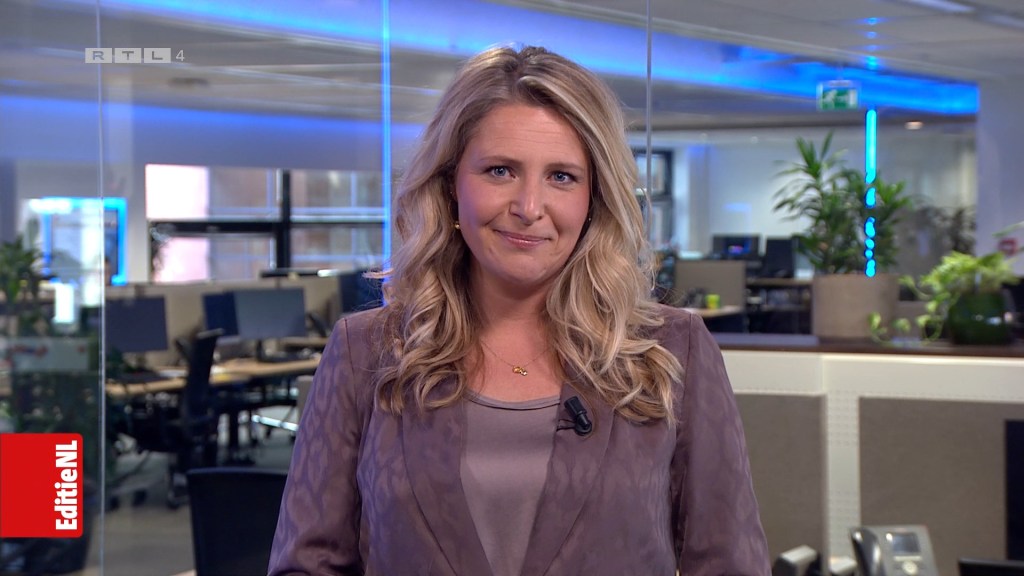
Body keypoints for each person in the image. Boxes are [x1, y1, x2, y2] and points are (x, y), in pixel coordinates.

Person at [269, 45, 769, 575]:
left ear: (594, 199)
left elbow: (729, 564)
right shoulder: (365, 352)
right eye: (500, 170)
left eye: (562, 177)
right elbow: (307, 563)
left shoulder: (672, 350)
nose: (529, 208)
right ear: (451, 185)